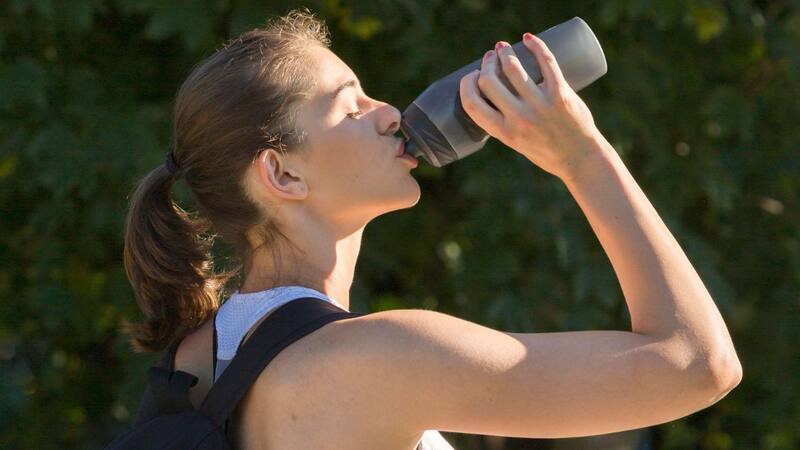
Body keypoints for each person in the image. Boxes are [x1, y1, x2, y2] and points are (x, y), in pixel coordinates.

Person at [122, 8, 743, 450]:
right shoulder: (379, 357)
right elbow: (697, 365)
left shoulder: (197, 358)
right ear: (281, 174)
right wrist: (580, 155)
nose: (388, 112)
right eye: (351, 105)